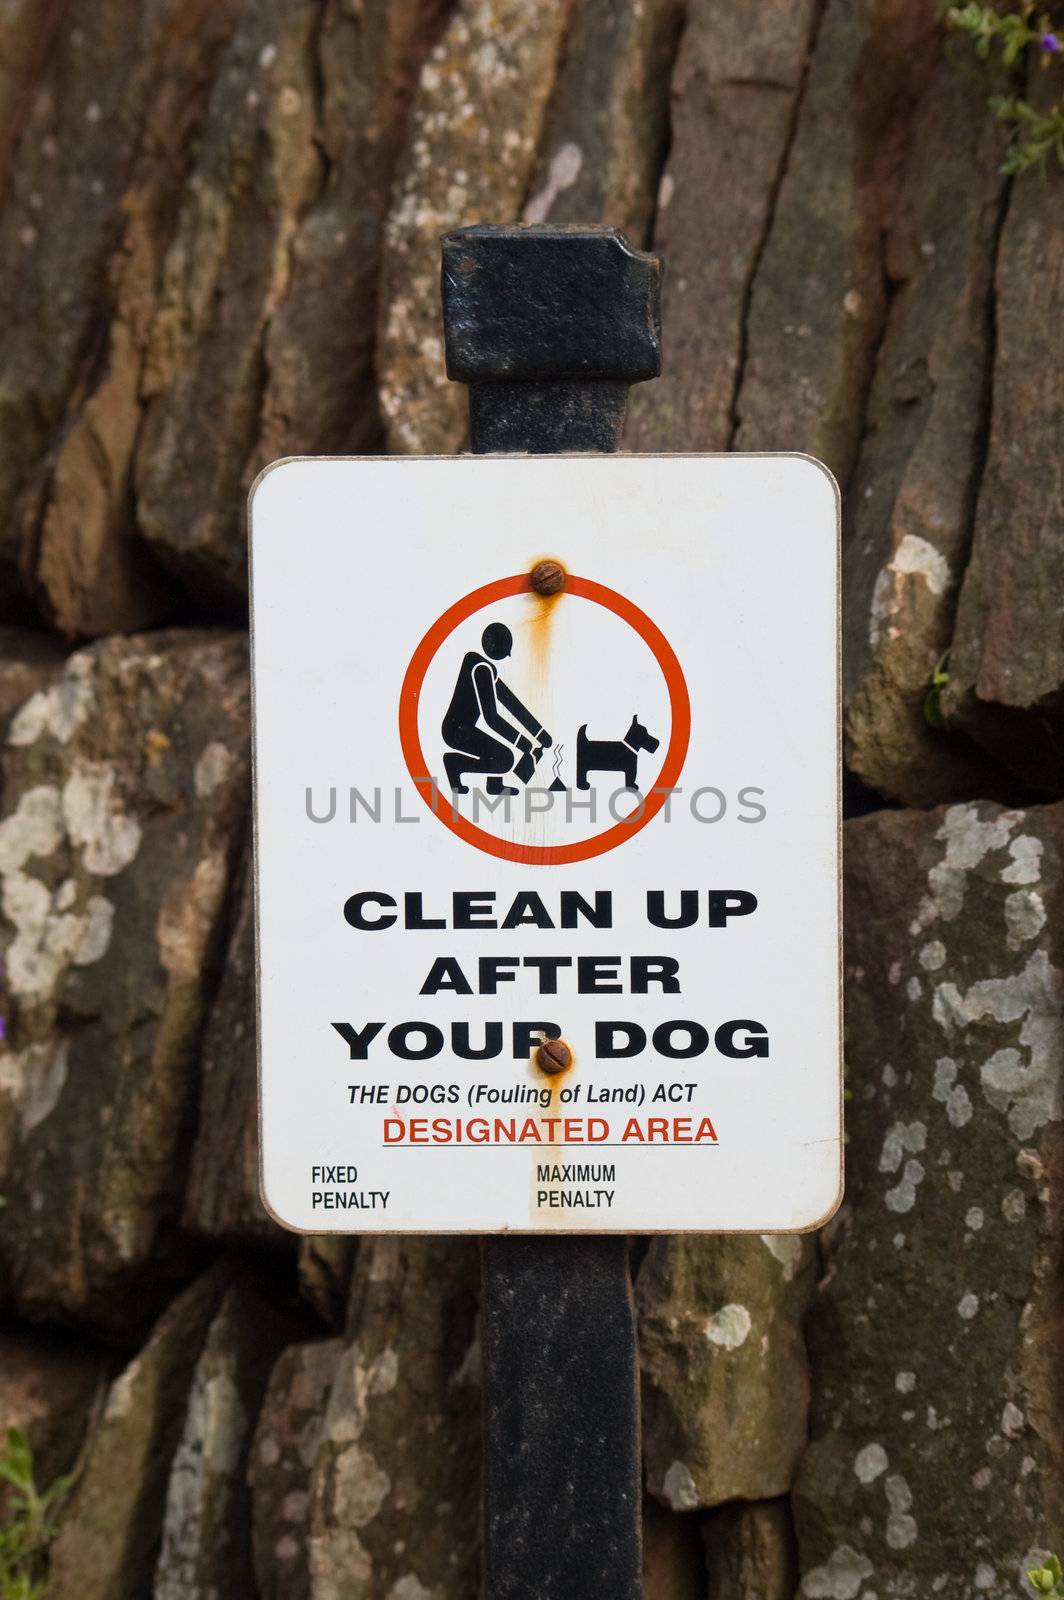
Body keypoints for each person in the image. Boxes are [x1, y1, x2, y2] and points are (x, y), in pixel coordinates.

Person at [442, 622, 550, 794]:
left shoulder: (481, 664)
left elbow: (511, 703)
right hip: (457, 732)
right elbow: (491, 719)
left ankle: (494, 785)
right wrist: (524, 743)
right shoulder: (481, 669)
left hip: (463, 729)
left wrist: (540, 734)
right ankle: (455, 764)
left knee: (499, 751)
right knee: (504, 758)